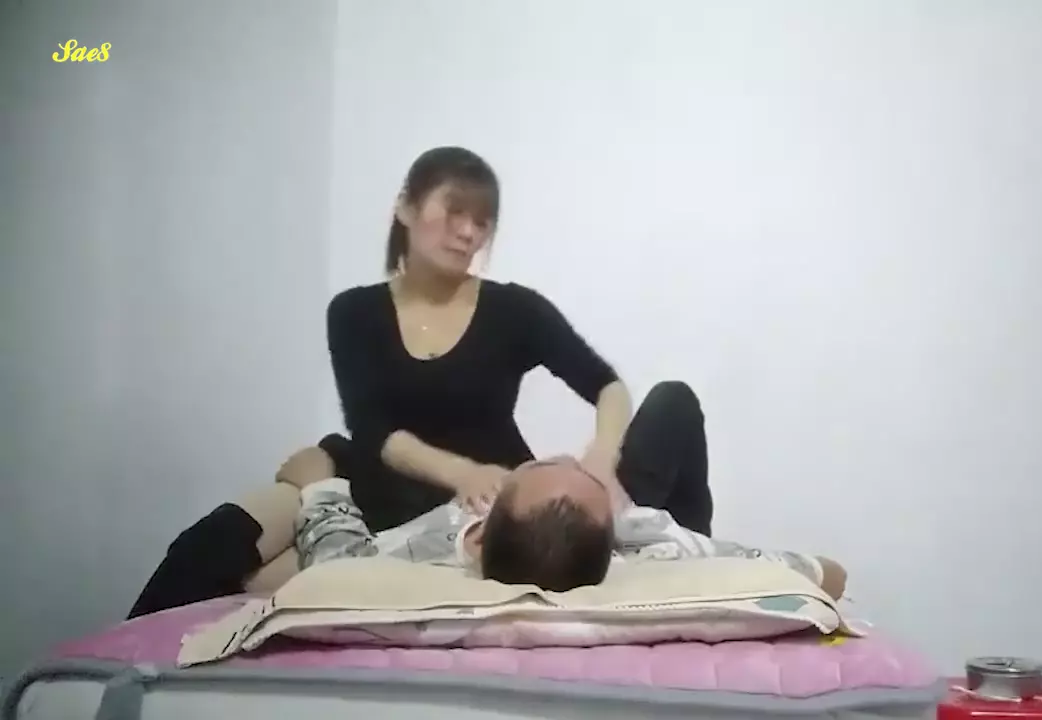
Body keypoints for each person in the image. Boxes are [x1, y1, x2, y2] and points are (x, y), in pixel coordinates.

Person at [127, 145, 712, 618]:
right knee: (210, 548)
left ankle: (701, 566)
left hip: (477, 503)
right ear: (405, 208)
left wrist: (600, 459)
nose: (468, 232)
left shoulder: (515, 310)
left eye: (481, 221)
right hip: (385, 478)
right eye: (454, 212)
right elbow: (372, 428)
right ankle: (106, 673)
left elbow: (606, 385)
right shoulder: (354, 311)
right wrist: (459, 472)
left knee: (264, 585)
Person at [293, 454, 848, 598]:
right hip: (673, 530)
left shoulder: (426, 554)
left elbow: (335, 563)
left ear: (479, 535)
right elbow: (830, 575)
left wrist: (318, 482)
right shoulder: (653, 541)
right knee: (673, 403)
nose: (561, 454)